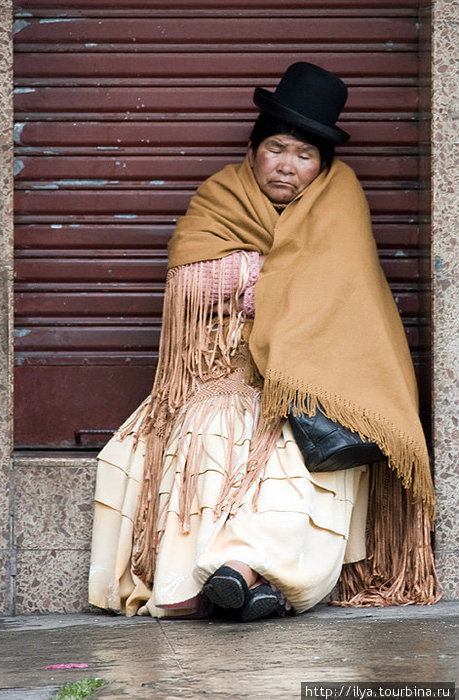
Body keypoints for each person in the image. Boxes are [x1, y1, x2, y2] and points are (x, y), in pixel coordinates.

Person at [89, 63, 440, 621]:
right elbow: (190, 281)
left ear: (321, 166)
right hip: (222, 374)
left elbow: (345, 300)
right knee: (210, 431)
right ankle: (251, 588)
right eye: (277, 148)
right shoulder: (220, 196)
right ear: (254, 150)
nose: (288, 166)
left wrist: (255, 279)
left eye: (305, 155)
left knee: (306, 456)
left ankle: (240, 572)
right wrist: (274, 276)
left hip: (316, 384)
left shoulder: (339, 202)